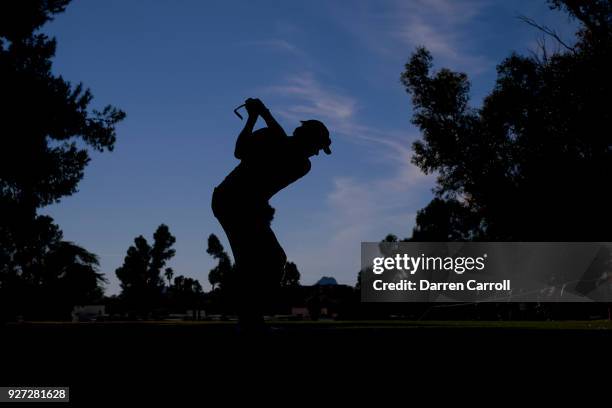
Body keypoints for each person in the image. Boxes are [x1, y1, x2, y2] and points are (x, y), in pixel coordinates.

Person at [212, 98, 331, 332]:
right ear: (308, 138)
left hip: (245, 206)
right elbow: (240, 151)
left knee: (268, 260)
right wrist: (254, 118)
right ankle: (249, 321)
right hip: (231, 200)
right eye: (318, 146)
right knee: (262, 260)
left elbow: (285, 147)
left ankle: (250, 319)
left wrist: (263, 114)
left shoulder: (302, 164)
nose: (317, 153)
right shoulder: (271, 136)